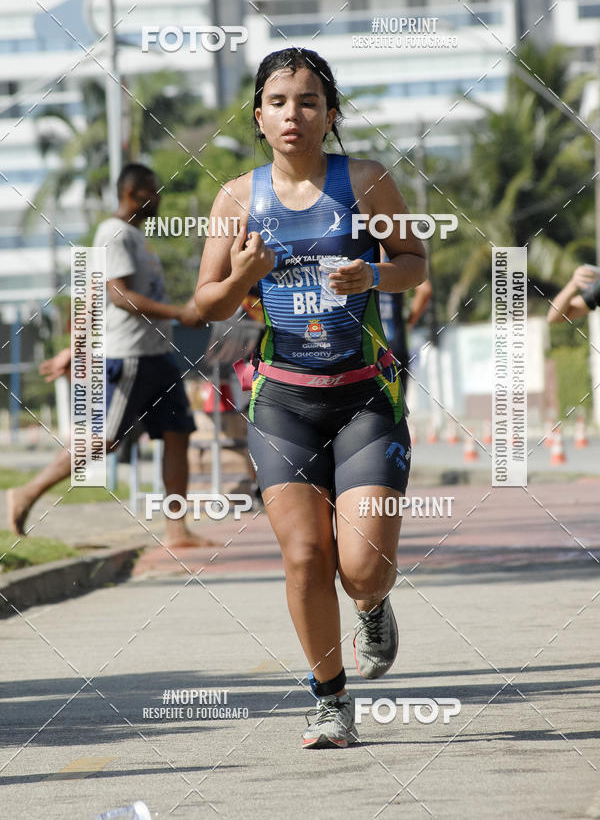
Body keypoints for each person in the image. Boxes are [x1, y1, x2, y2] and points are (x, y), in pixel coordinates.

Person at [194, 48, 427, 748]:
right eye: (278, 102)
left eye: (308, 101)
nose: (292, 114)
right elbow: (207, 304)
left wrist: (374, 276)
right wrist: (241, 277)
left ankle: (373, 605)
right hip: (283, 404)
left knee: (362, 567)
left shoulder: (366, 181)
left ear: (329, 115)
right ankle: (331, 700)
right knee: (303, 556)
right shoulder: (236, 198)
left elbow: (414, 263)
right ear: (258, 117)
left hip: (365, 400)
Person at [7, 163, 209, 549]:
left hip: (157, 355)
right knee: (104, 439)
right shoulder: (114, 233)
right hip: (128, 357)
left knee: (178, 435)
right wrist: (180, 314)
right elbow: (117, 295)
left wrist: (74, 348)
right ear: (131, 193)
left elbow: (92, 296)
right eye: (152, 190)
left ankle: (177, 530)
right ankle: (27, 492)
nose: (158, 197)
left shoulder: (135, 236)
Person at [379, 276, 432, 393]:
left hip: (368, 351)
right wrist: (409, 323)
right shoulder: (395, 266)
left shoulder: (360, 266)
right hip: (395, 347)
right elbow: (425, 289)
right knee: (397, 402)